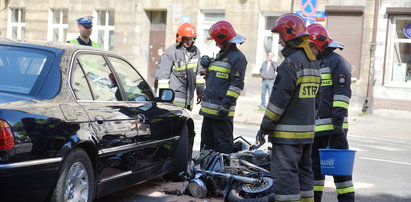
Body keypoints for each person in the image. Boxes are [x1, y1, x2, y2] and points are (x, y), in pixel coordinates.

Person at [256, 13, 321, 202]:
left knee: (286, 175)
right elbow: (317, 100)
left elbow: (277, 103)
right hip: (307, 134)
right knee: (304, 172)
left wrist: (265, 127)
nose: (279, 44)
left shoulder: (290, 64)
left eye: (280, 38)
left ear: (288, 35)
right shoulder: (313, 63)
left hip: (287, 137)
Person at [307, 23, 355, 202]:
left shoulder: (338, 62)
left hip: (335, 129)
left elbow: (342, 95)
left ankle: (347, 200)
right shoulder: (315, 63)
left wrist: (337, 123)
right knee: (315, 170)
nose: (309, 50)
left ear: (319, 44)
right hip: (316, 129)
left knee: (340, 173)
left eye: (311, 46)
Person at [199, 21, 247, 154]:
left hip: (222, 114)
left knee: (223, 148)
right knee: (206, 147)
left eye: (217, 41)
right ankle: (206, 173)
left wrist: (225, 106)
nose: (215, 44)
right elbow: (213, 80)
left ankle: (221, 174)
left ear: (224, 40)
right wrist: (206, 65)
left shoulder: (238, 58)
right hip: (208, 113)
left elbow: (236, 85)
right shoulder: (220, 56)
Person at [157, 23, 205, 110]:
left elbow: (199, 74)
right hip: (174, 99)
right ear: (180, 38)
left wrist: (200, 92)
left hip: (189, 99)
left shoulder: (196, 51)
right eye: (186, 39)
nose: (189, 42)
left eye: (191, 39)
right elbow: (163, 76)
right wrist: (164, 97)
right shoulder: (171, 52)